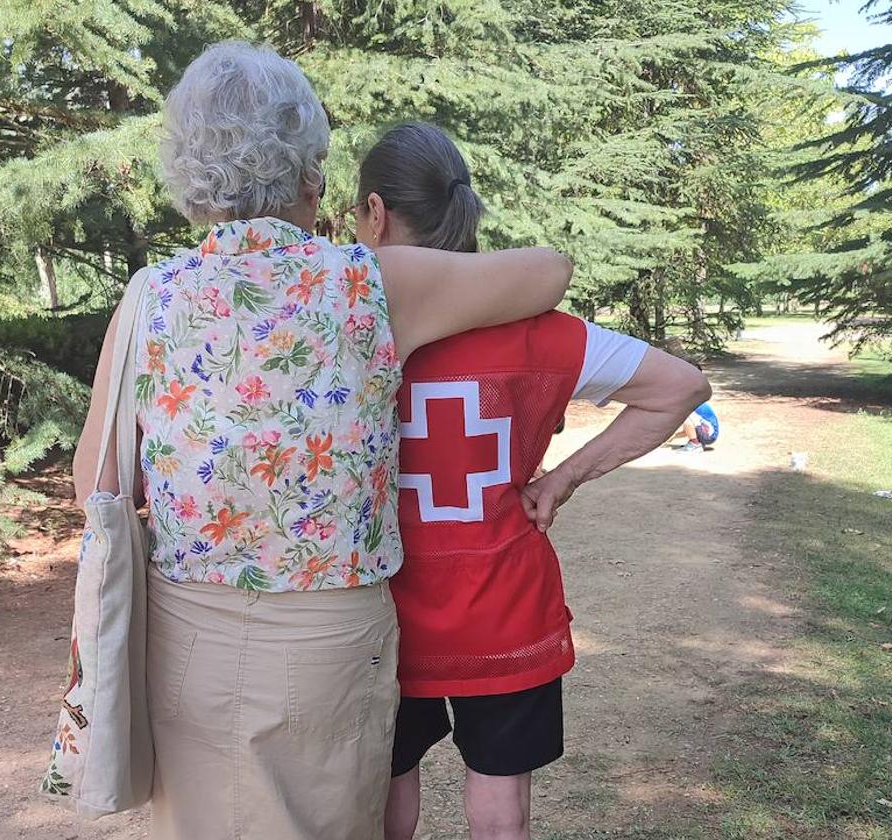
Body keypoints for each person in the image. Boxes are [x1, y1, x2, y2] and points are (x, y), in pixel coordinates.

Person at [70, 45, 574, 840]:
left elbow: (91, 482)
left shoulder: (148, 298)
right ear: (312, 172)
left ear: (191, 175)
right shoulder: (371, 283)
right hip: (329, 643)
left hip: (184, 636)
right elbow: (550, 271)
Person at [352, 123, 711, 840]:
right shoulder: (544, 332)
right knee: (499, 798)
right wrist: (565, 479)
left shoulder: (347, 323)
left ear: (376, 212)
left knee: (382, 784)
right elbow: (681, 387)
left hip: (381, 610)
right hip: (505, 607)